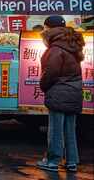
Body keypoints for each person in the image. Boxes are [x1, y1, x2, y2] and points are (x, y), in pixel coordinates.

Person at [36, 15, 85, 173]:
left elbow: (50, 73)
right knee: (70, 129)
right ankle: (71, 162)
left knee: (55, 129)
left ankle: (52, 161)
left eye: (45, 28)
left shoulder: (56, 49)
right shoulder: (72, 45)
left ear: (49, 29)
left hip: (59, 92)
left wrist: (43, 85)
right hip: (74, 92)